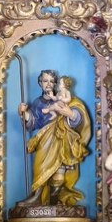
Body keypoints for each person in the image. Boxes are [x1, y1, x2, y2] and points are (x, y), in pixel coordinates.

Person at [17, 69, 91, 207]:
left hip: (60, 138)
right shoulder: (38, 102)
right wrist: (24, 113)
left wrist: (71, 114)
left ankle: (54, 201)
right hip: (45, 138)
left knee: (59, 170)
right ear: (40, 83)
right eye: (45, 81)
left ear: (56, 84)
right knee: (40, 165)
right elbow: (33, 122)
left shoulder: (62, 98)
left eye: (52, 81)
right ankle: (37, 196)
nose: (48, 84)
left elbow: (77, 112)